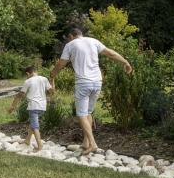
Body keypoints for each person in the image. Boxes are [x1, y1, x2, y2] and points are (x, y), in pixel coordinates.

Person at [49, 27, 133, 155]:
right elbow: (111, 53)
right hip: (97, 82)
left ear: (71, 36)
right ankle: (85, 143)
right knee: (88, 112)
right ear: (81, 34)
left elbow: (61, 64)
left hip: (83, 82)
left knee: (81, 114)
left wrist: (52, 74)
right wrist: (125, 62)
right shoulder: (94, 41)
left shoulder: (70, 45)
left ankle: (93, 144)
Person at [8, 66, 53, 152]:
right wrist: (53, 80)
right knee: (33, 124)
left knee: (35, 126)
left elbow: (20, 95)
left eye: (26, 75)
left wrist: (12, 106)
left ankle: (39, 146)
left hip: (33, 106)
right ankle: (27, 140)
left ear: (27, 73)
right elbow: (51, 91)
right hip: (42, 107)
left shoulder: (28, 81)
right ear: (36, 71)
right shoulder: (44, 79)